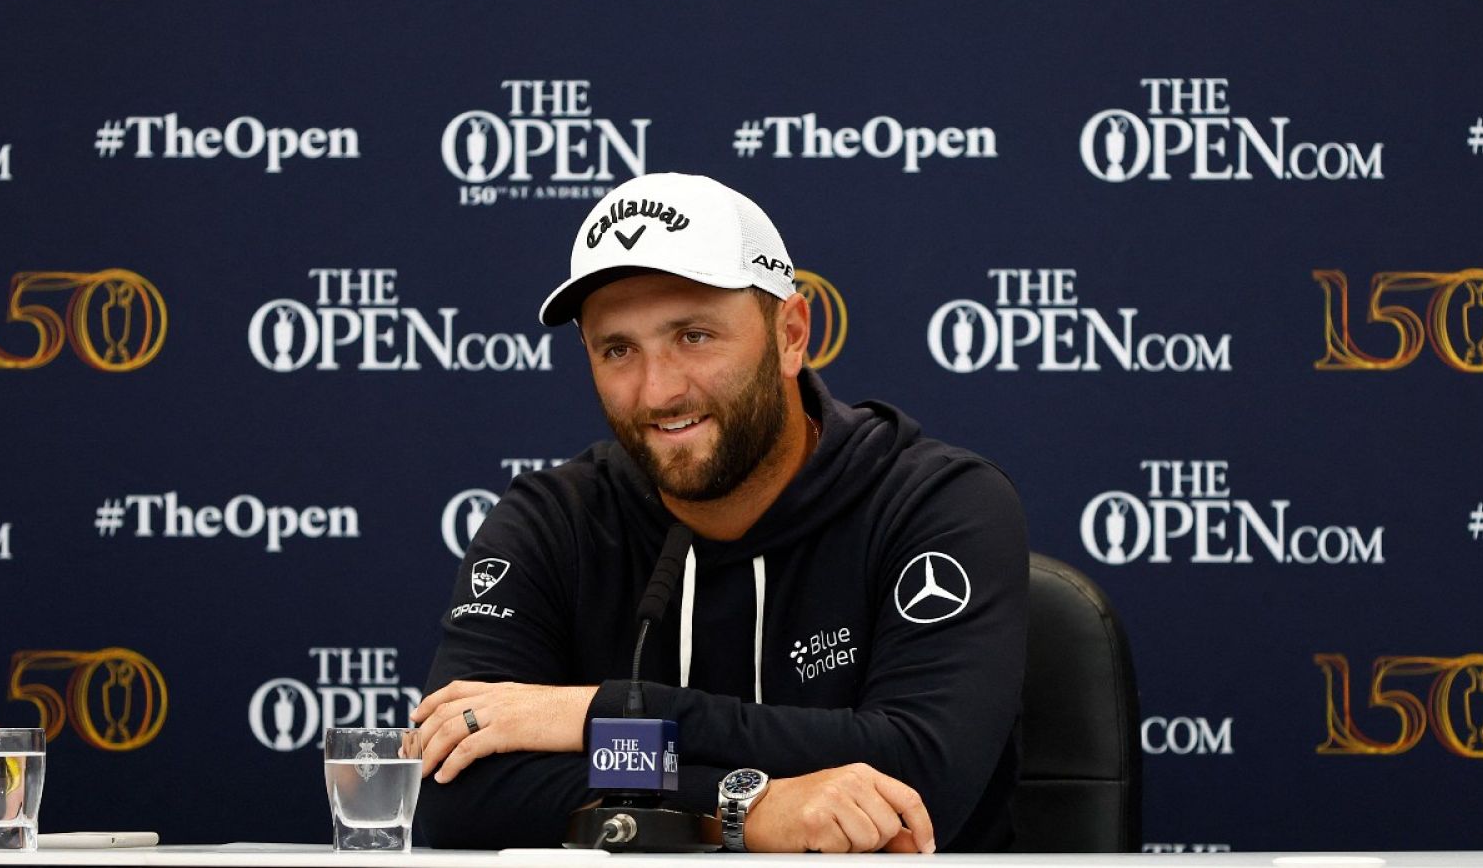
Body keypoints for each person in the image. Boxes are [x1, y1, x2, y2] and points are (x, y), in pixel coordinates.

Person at [412, 173, 1028, 853]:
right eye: (618, 350)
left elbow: (917, 778)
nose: (658, 390)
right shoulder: (552, 521)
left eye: (695, 336)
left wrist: (600, 712)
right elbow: (453, 795)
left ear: (792, 335)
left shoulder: (936, 503)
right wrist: (743, 806)